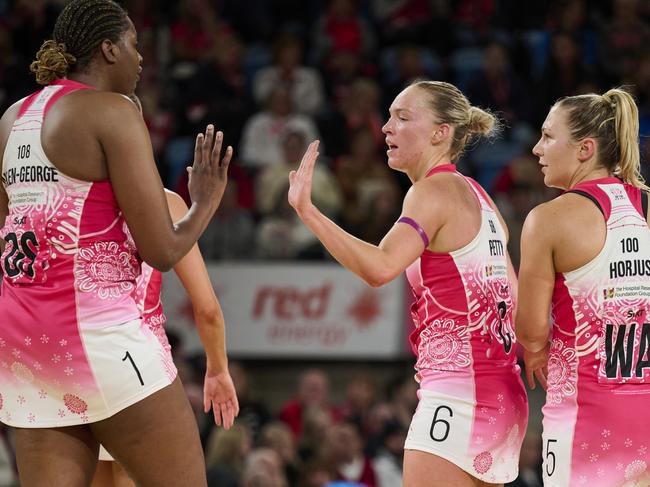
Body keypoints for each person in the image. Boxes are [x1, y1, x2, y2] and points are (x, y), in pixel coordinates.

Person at [0, 1, 232, 485]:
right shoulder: (113, 112)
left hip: (24, 346)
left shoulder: (12, 117)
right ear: (108, 50)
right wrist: (204, 201)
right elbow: (162, 251)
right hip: (100, 337)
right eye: (133, 45)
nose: (141, 58)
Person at [288, 80, 528, 486]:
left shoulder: (430, 192)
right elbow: (515, 303)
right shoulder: (482, 199)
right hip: (503, 396)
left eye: (402, 117)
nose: (385, 128)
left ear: (441, 133)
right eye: (388, 117)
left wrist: (308, 212)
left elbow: (381, 267)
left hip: (457, 396)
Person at [91, 97, 239, 487]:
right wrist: (218, 368)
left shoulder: (70, 207)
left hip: (80, 360)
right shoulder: (167, 203)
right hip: (138, 366)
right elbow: (206, 309)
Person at [516, 88, 650, 486]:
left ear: (585, 149)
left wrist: (535, 349)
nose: (537, 148)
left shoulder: (549, 219)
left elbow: (530, 329)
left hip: (588, 414)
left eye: (548, 136)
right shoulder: (646, 205)